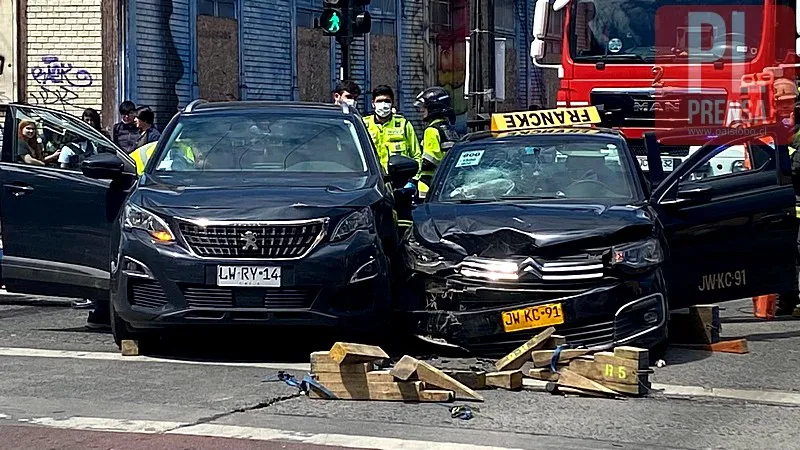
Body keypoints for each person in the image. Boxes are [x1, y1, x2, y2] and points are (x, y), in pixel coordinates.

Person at [413, 86, 460, 199]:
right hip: (447, 182)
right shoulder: (449, 129)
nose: (421, 110)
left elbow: (428, 162)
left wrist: (413, 172)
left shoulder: (431, 130)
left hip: (428, 184)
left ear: (434, 108)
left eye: (424, 107)